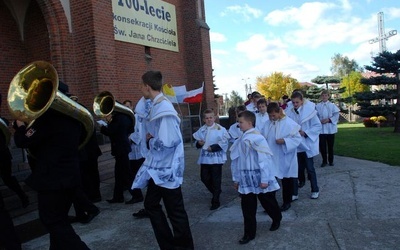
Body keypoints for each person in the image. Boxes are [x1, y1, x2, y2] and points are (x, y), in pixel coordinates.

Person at [13, 81, 90, 249]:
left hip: (52, 180)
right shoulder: (75, 118)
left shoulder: (45, 120)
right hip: (71, 176)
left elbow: (22, 141)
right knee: (60, 219)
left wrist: (19, 127)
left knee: (52, 221)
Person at [132, 70, 194, 249]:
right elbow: (141, 113)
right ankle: (169, 245)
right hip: (157, 168)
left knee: (175, 211)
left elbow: (169, 142)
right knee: (151, 204)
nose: (139, 88)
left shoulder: (164, 109)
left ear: (147, 86)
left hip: (167, 169)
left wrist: (151, 140)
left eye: (141, 85)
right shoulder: (155, 104)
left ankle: (184, 247)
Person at [230, 110, 282, 245]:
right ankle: (249, 233)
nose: (239, 124)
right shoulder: (241, 139)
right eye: (238, 122)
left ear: (250, 122)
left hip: (259, 177)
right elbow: (235, 160)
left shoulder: (258, 138)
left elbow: (264, 160)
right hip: (245, 178)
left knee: (267, 201)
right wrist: (236, 179)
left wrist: (264, 179)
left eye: (241, 122)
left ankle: (276, 217)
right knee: (247, 207)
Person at [262, 102, 301, 211]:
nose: (271, 118)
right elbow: (262, 136)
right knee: (271, 180)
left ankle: (287, 202)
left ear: (279, 112)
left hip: (284, 156)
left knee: (286, 180)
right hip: (271, 156)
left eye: (273, 115)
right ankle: (271, 204)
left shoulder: (289, 123)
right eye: (269, 115)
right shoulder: (267, 123)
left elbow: (297, 139)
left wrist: (285, 141)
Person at [285, 91, 321, 200]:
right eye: (293, 102)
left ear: (302, 101)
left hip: (306, 144)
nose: (295, 104)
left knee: (310, 168)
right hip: (296, 145)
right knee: (295, 169)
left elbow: (317, 126)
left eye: (297, 102)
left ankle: (315, 189)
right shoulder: (289, 112)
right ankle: (294, 193)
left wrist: (305, 132)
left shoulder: (310, 112)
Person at [193, 109, 230, 210]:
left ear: (214, 118)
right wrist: (198, 143)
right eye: (207, 118)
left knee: (216, 180)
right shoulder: (202, 129)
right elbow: (196, 142)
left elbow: (224, 142)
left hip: (216, 159)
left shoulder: (220, 129)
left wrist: (213, 148)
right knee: (204, 178)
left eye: (211, 117)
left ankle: (215, 200)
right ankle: (215, 192)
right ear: (204, 119)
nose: (209, 120)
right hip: (205, 159)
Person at [99, 100, 135, 204]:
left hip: (121, 149)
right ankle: (118, 197)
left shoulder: (118, 118)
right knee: (119, 175)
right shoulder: (124, 117)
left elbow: (111, 132)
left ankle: (137, 195)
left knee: (126, 174)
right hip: (121, 149)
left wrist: (104, 126)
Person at [0, 117, 29, 208]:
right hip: (4, 154)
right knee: (8, 179)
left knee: (8, 179)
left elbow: (6, 123)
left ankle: (23, 197)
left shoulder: (2, 120)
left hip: (2, 155)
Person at [123, 99, 146, 205]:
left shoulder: (136, 117)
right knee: (132, 174)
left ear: (132, 107)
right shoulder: (127, 119)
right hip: (131, 153)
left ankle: (138, 195)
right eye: (125, 107)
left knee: (136, 174)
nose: (127, 108)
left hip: (138, 151)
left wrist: (128, 139)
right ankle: (137, 195)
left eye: (128, 106)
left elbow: (138, 133)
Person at [316, 90, 340, 167]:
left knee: (330, 146)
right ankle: (324, 161)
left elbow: (336, 115)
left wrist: (329, 120)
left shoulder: (332, 105)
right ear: (321, 96)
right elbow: (315, 116)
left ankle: (331, 160)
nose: (324, 97)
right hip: (321, 130)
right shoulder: (318, 106)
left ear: (328, 96)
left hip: (330, 129)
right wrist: (319, 121)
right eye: (323, 95)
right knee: (322, 146)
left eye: (326, 95)